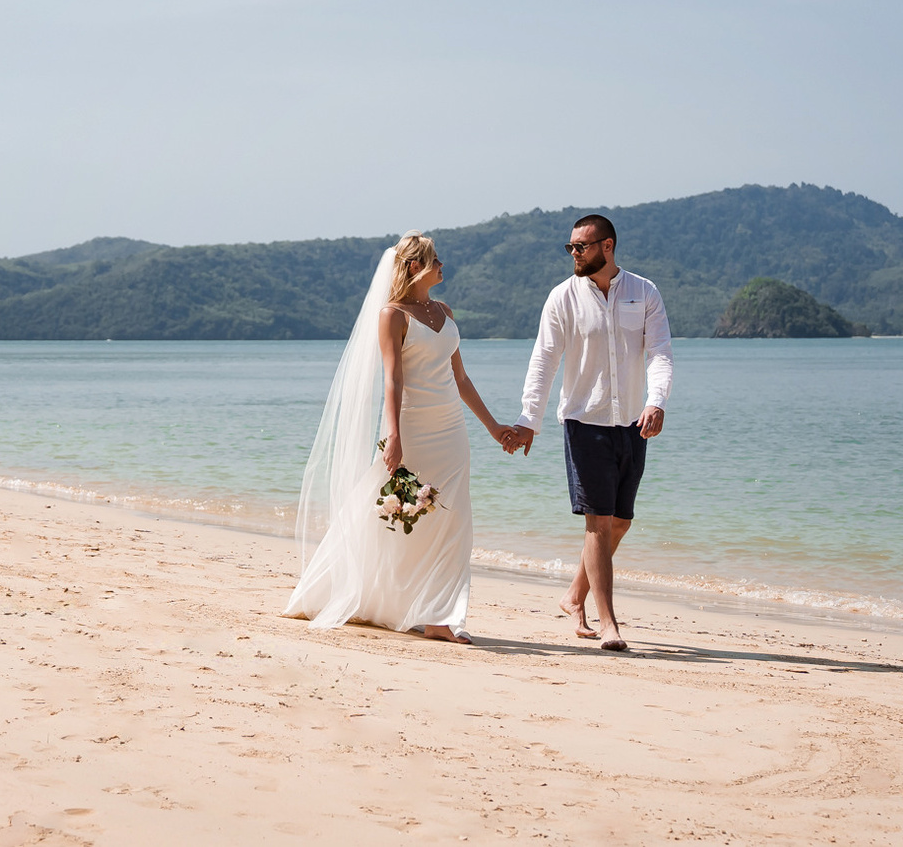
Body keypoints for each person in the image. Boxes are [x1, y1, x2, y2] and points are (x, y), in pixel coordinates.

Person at [285, 233, 528, 644]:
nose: (442, 265)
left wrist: (492, 427)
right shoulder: (392, 315)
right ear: (416, 266)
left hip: (452, 430)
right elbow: (392, 379)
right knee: (396, 512)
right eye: (435, 260)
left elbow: (460, 378)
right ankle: (354, 589)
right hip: (413, 428)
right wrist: (393, 434)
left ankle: (439, 616)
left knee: (453, 518)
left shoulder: (444, 311)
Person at [514, 213, 671, 651]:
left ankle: (573, 595)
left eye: (581, 246)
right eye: (570, 247)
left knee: (620, 522)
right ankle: (609, 624)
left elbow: (660, 352)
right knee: (598, 523)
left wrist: (657, 400)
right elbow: (544, 360)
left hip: (633, 422)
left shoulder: (644, 292)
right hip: (584, 422)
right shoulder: (562, 297)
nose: (574, 253)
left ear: (607, 246)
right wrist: (529, 420)